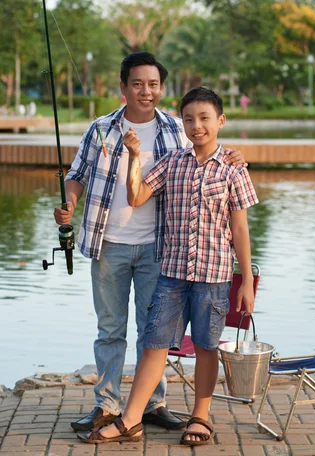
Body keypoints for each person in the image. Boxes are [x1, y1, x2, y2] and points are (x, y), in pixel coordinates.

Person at [54, 53, 245, 433]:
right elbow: (76, 174)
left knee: (153, 330)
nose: (146, 91)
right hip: (109, 242)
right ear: (123, 87)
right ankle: (107, 405)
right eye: (137, 84)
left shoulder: (177, 128)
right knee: (110, 328)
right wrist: (70, 203)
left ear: (162, 88)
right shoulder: (100, 129)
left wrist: (236, 157)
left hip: (160, 248)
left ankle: (152, 405)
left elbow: (207, 154)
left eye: (153, 84)